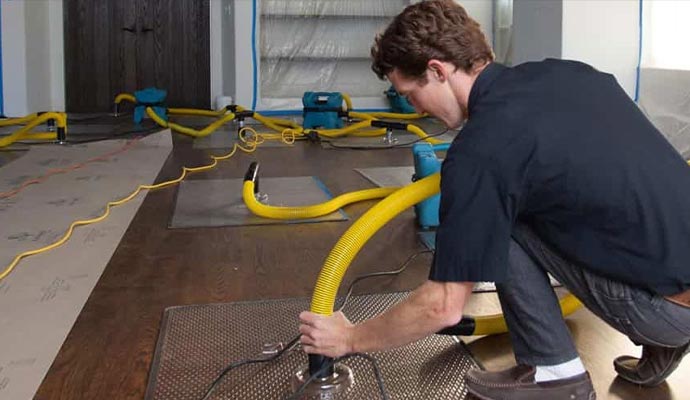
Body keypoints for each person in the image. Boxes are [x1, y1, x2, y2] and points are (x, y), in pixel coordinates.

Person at [298, 1, 690, 399]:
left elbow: (443, 307)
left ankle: (554, 373)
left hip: (664, 310)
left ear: (437, 70)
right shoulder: (572, 73)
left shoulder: (480, 149)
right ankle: (666, 340)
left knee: (503, 215)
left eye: (411, 94)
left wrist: (348, 338)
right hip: (679, 283)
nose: (415, 109)